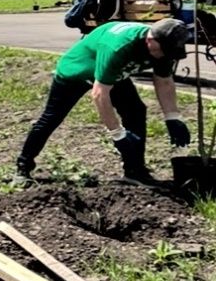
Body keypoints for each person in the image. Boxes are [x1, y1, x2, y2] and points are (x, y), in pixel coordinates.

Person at [16, 18, 190, 183]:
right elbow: (99, 94)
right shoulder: (119, 47)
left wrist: (172, 117)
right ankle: (23, 166)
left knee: (136, 111)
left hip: (112, 74)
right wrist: (117, 134)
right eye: (163, 50)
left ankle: (135, 171)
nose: (165, 55)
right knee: (52, 118)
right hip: (76, 72)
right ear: (150, 40)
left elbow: (164, 81)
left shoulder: (164, 47)